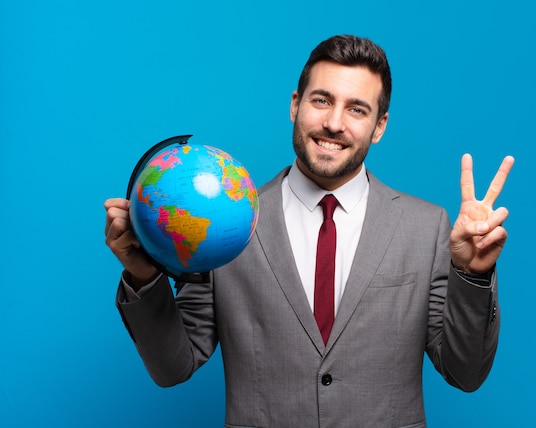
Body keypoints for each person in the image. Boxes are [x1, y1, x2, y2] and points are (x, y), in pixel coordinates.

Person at [104, 34, 514, 427]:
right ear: (295, 104)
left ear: (379, 126)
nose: (334, 123)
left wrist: (471, 275)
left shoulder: (426, 227)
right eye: (322, 100)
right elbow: (174, 366)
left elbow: (465, 374)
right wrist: (144, 274)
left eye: (357, 109)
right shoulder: (223, 225)